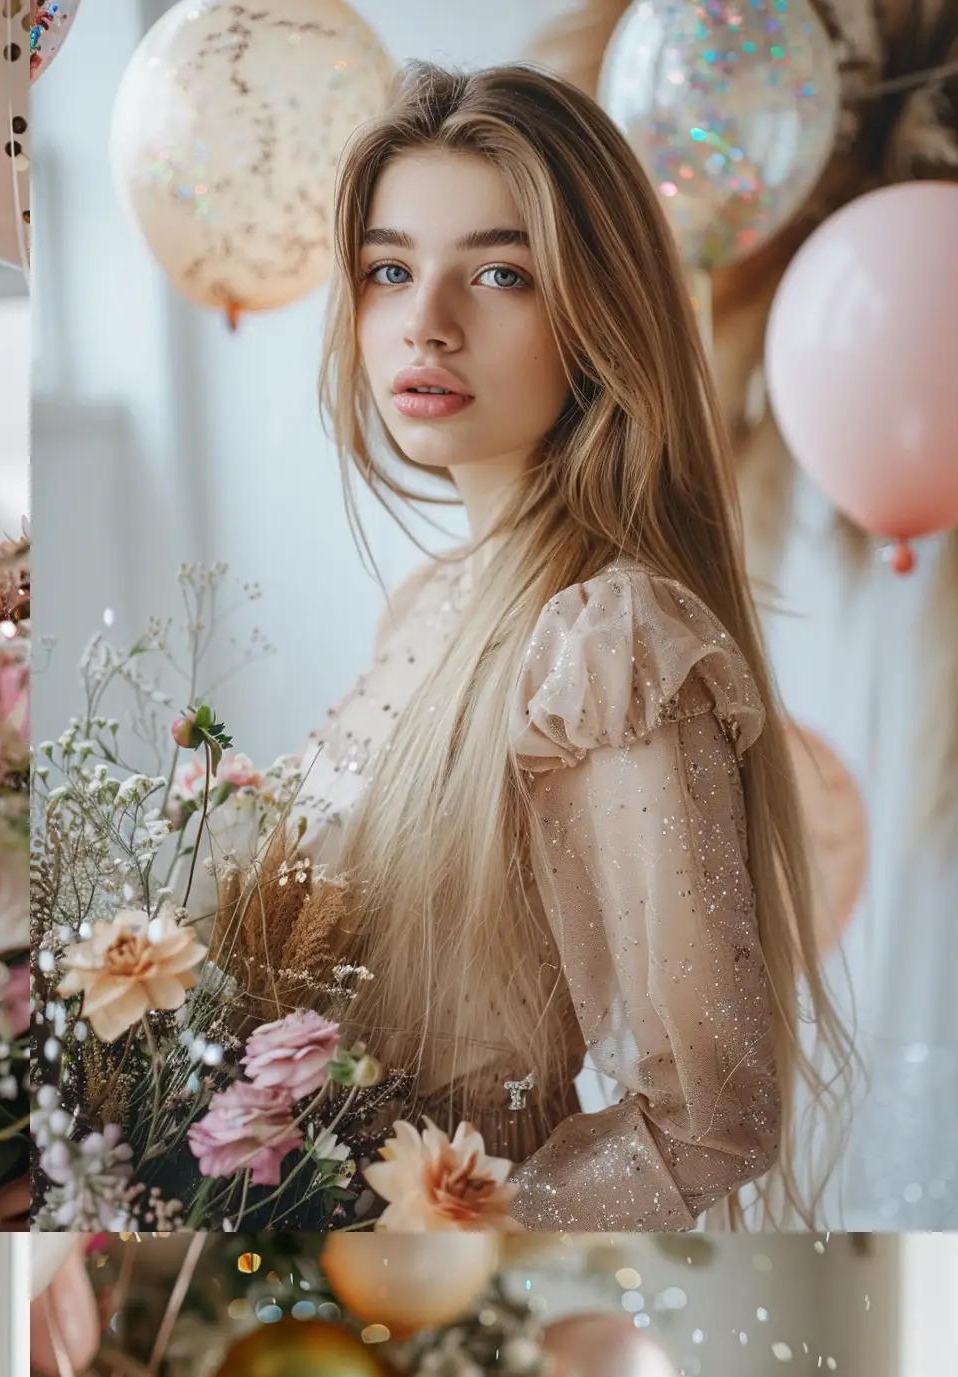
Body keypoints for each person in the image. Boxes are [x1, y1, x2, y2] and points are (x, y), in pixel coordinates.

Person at [241, 63, 851, 1231]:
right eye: (387, 269)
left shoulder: (607, 642)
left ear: (594, 310)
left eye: (498, 273)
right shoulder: (426, 602)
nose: (425, 318)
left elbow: (710, 1118)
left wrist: (436, 1230)